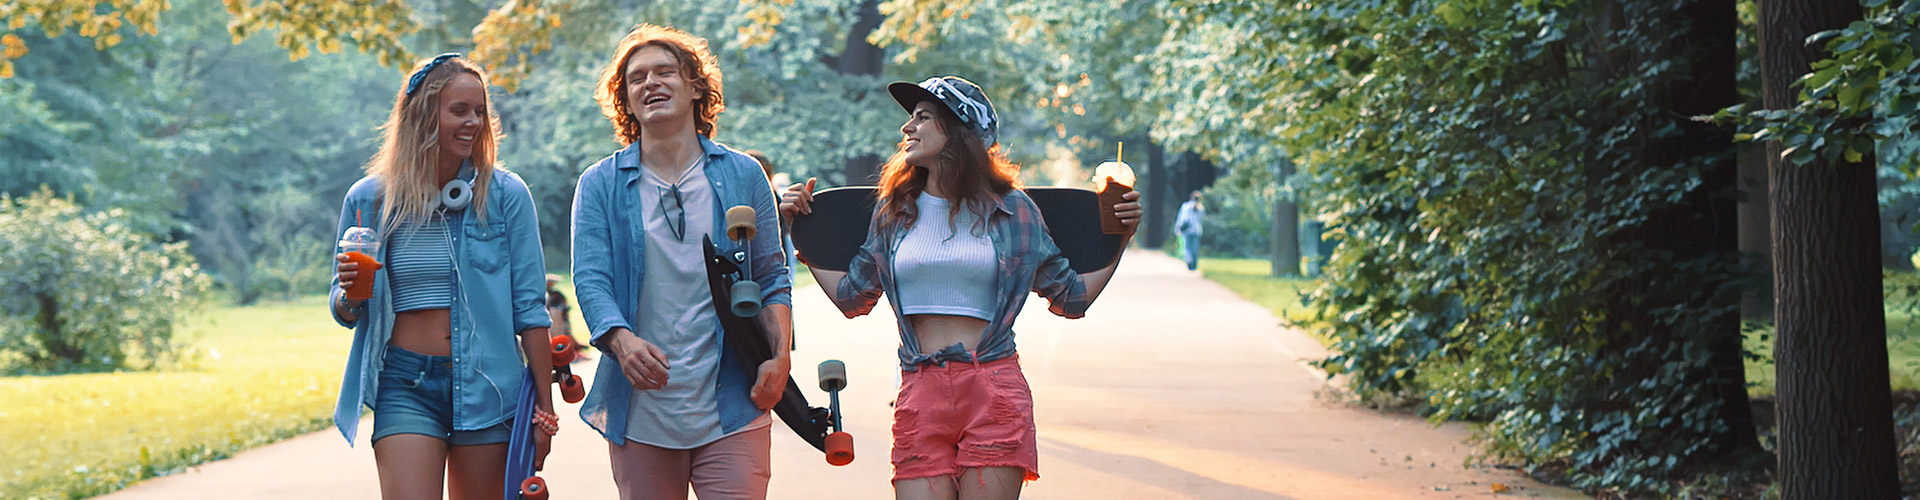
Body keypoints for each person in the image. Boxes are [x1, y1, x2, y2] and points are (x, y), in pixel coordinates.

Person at [779, 76, 1141, 500]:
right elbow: (852, 298)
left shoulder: (1014, 210)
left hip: (994, 388)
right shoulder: (894, 211)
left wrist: (1121, 239)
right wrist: (797, 233)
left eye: (923, 117)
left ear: (959, 131)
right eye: (911, 118)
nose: (907, 128)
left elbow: (1071, 297)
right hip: (920, 389)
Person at [569, 24, 794, 500]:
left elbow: (773, 276)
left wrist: (779, 356)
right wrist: (621, 341)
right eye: (636, 78)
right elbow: (590, 278)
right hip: (642, 409)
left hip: (733, 401)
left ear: (695, 87)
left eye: (665, 71)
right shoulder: (599, 184)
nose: (650, 83)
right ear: (625, 100)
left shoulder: (743, 174)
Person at [328, 53, 555, 499]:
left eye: (480, 112)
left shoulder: (506, 195)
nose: (474, 122)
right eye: (459, 110)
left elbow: (530, 309)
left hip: (490, 385)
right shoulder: (369, 201)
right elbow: (343, 307)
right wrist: (350, 294)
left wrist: (543, 409)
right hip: (405, 383)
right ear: (422, 115)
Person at [1175, 190, 1205, 271]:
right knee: (1190, 248)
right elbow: (1182, 218)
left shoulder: (1199, 207)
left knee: (1192, 248)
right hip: (1189, 230)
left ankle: (1193, 263)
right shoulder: (1187, 206)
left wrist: (1177, 228)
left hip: (1194, 230)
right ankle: (1191, 264)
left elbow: (1181, 218)